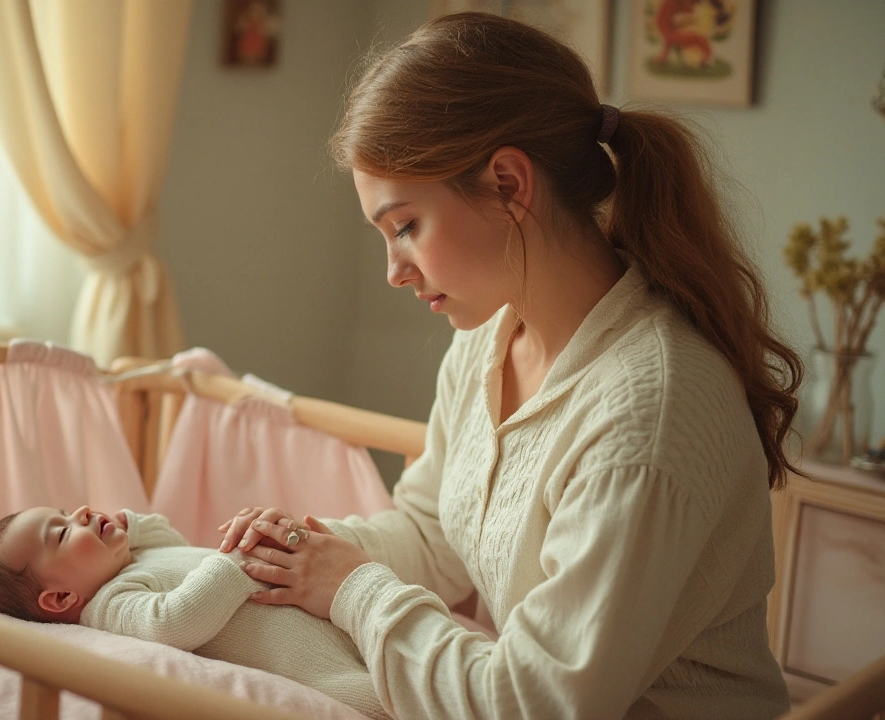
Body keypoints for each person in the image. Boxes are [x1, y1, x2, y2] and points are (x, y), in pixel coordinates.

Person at [218, 11, 801, 720]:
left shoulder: (647, 414)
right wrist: (307, 551)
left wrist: (351, 587)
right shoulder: (489, 339)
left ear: (507, 183)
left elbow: (537, 703)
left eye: (405, 226)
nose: (394, 272)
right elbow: (434, 538)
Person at [0, 505, 388, 719]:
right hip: (328, 673)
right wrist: (241, 560)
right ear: (59, 600)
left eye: (66, 508)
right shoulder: (110, 604)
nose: (81, 513)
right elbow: (173, 622)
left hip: (337, 620)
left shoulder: (135, 557)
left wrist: (124, 525)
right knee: (393, 695)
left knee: (399, 644)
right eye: (61, 531)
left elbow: (170, 536)